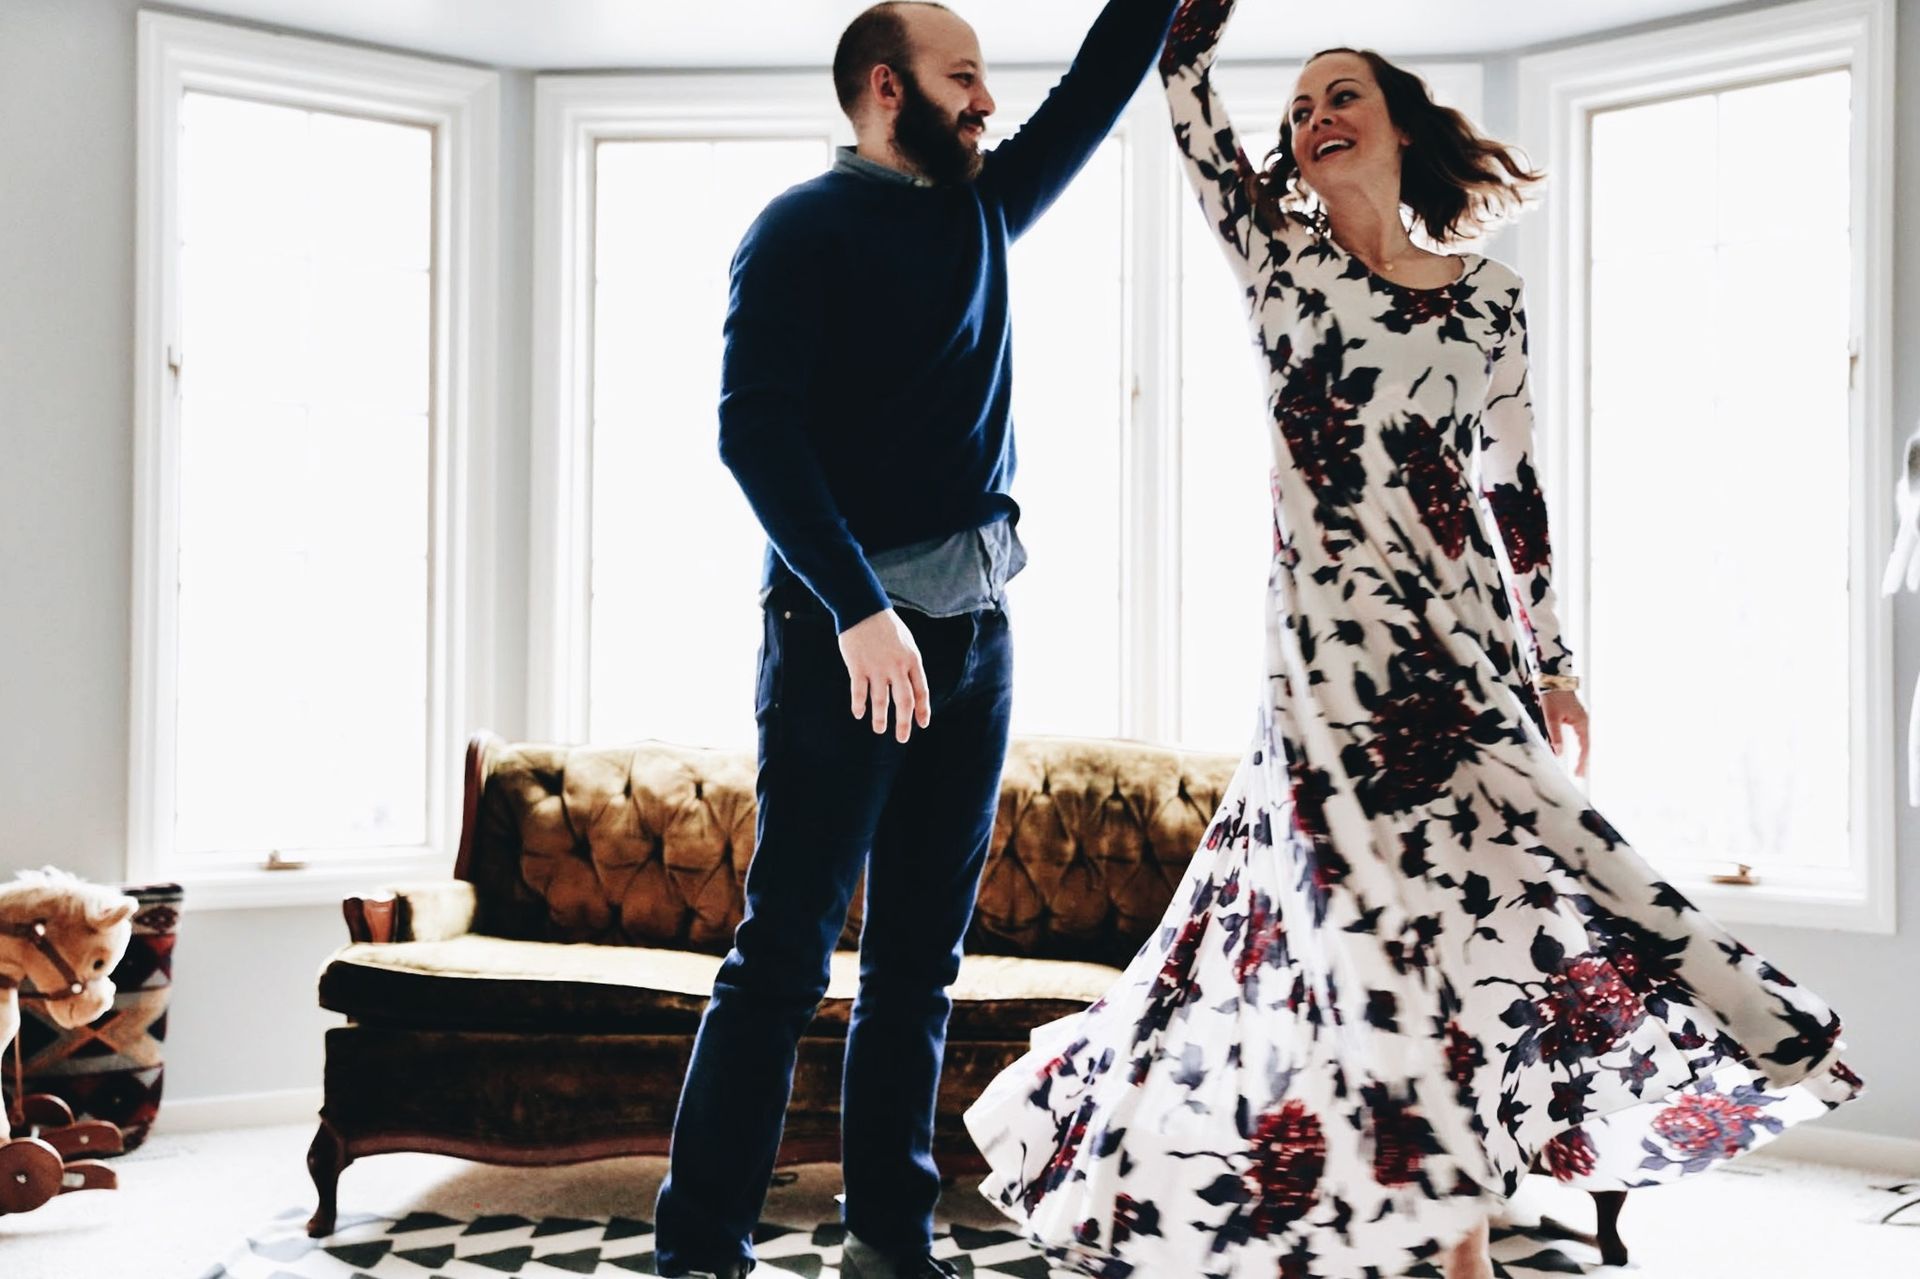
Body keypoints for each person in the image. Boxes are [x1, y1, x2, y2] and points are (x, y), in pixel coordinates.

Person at [963, 2, 1864, 1276]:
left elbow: (1516, 491)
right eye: (1302, 113)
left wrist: (1555, 666)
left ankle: (1721, 1053)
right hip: (1325, 661)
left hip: (1469, 656)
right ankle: (1450, 1242)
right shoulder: (1279, 262)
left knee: (1519, 899)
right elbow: (1190, 115)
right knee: (1361, 921)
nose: (1317, 119)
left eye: (1343, 99)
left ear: (1399, 129)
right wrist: (1189, 35)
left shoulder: (1490, 302)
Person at [651, 3, 1182, 1277]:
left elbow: (1097, 90)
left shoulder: (980, 211)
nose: (988, 101)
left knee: (917, 968)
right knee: (783, 959)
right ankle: (699, 1249)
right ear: (888, 89)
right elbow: (754, 433)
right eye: (964, 79)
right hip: (845, 646)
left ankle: (891, 1235)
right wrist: (858, 609)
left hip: (977, 639)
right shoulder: (798, 228)